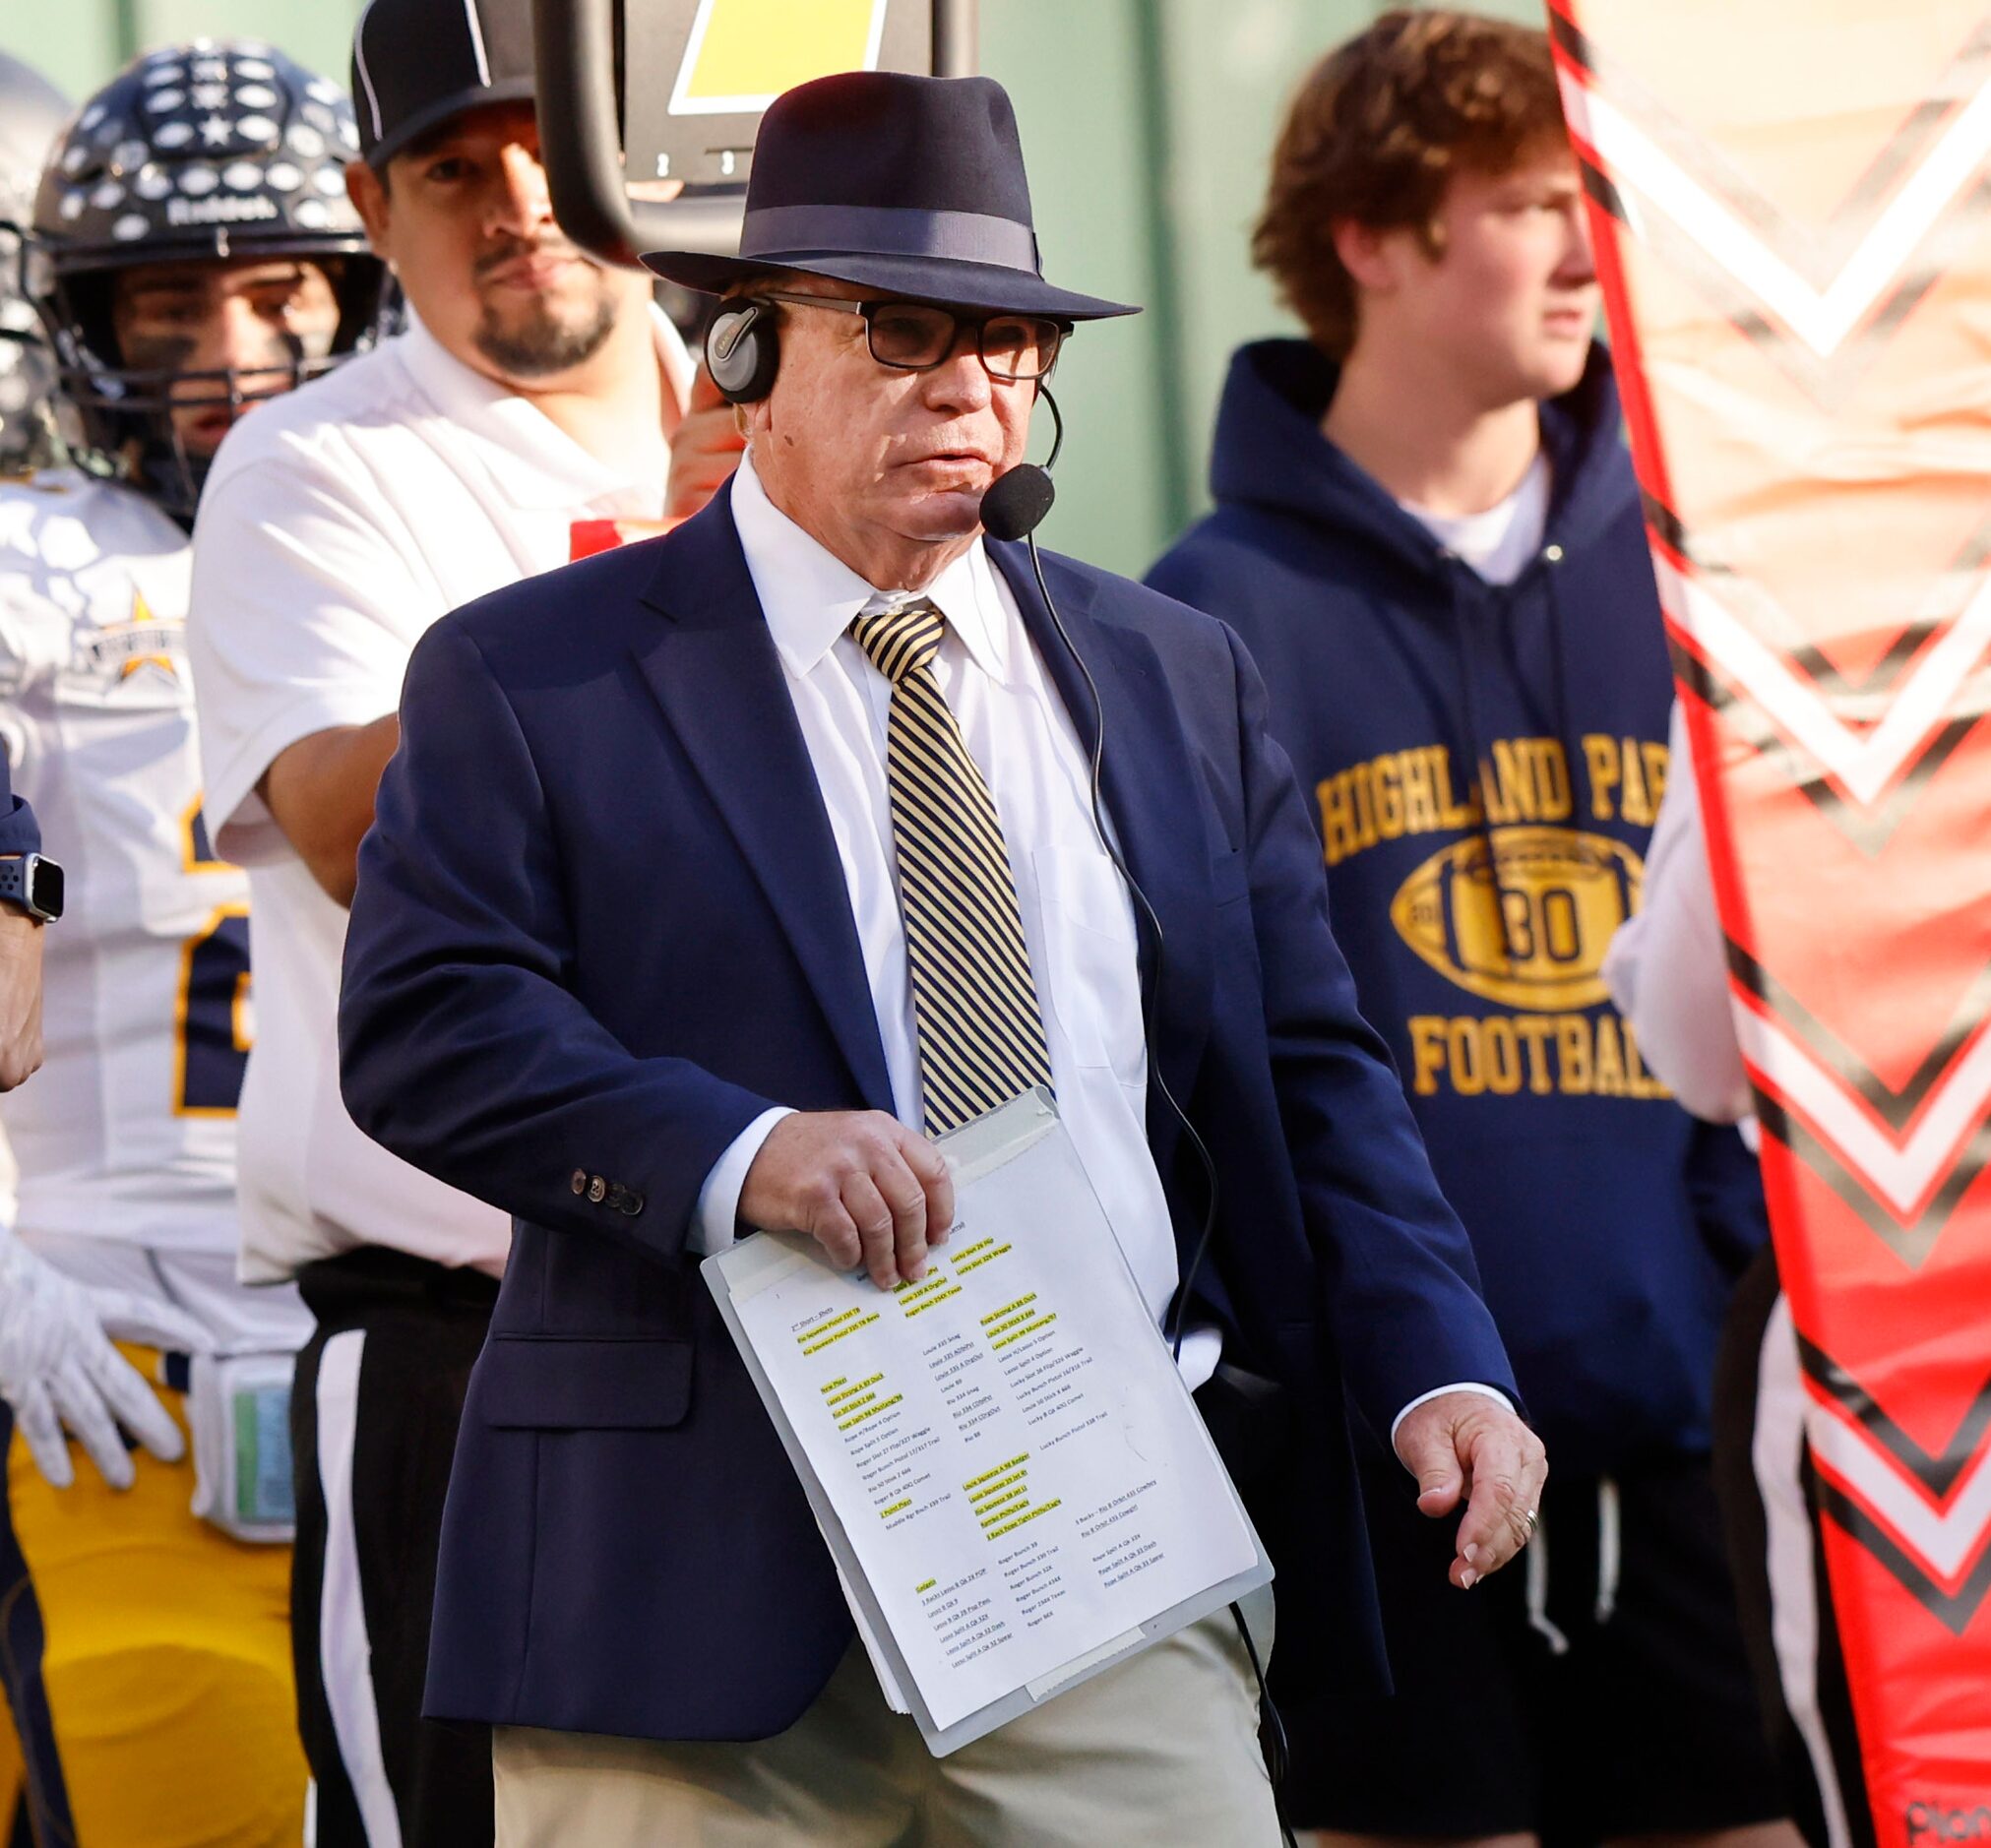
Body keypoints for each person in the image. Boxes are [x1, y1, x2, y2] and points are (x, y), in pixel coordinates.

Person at [338, 69, 1544, 1847]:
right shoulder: (530, 675)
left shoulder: (1176, 672)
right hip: (692, 1592)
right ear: (746, 353)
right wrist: (743, 1156)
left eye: (1011, 336)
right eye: (905, 328)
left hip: (1109, 1543)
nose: (972, 381)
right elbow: (431, 1025)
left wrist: (1446, 1359)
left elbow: (1309, 1068)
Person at [1148, 15, 1794, 1847]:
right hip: (1380, 1465)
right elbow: (1215, 1060)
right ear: (1373, 238)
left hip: (1688, 1441)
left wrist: (1726, 1290)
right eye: (1530, 202)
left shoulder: (1702, 579)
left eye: (1597, 197)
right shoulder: (1205, 616)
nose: (1593, 247)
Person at [183, 0, 729, 1834]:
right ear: (372, 204)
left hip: (808, 1290)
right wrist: (674, 587)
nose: (517, 198)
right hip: (467, 1333)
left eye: (548, 143)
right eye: (452, 165)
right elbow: (349, 828)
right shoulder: (316, 462)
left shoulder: (812, 391)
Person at [0, 40, 393, 1844]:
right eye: (168, 302)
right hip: (106, 1364)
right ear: (83, 323)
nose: (229, 354)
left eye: (273, 290)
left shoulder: (417, 546)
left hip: (390, 1352)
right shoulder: (29, 567)